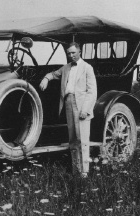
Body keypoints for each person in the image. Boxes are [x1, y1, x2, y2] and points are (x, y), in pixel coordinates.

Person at [39, 42, 97, 177]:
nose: (71, 55)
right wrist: (46, 78)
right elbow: (53, 74)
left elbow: (92, 91)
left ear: (79, 52)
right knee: (73, 140)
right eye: (69, 53)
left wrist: (85, 109)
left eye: (73, 53)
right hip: (68, 103)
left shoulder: (87, 68)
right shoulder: (65, 68)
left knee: (83, 139)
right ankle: (76, 170)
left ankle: (85, 171)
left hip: (82, 105)